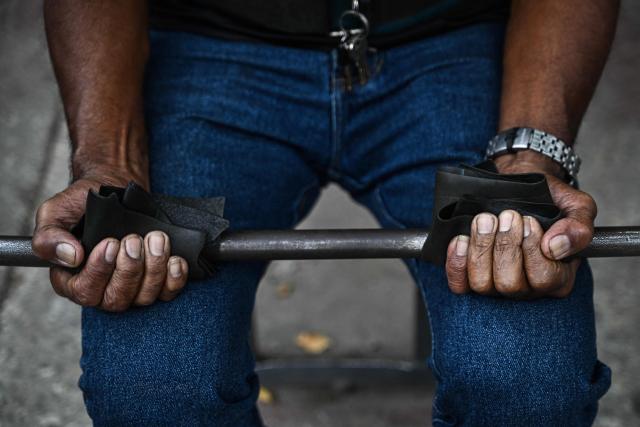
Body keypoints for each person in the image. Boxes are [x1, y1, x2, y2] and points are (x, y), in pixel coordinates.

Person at [32, 0, 618, 425]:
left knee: (529, 387)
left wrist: (532, 155)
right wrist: (109, 162)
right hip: (210, 45)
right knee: (153, 391)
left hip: (451, 41)